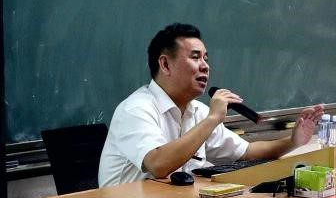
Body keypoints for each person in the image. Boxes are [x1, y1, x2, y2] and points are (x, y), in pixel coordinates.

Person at [98, 23, 324, 187]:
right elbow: (158, 165)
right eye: (195, 57)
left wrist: (293, 141)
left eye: (206, 58)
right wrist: (213, 119)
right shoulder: (136, 110)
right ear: (165, 65)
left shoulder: (198, 111)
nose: (205, 66)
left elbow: (247, 153)